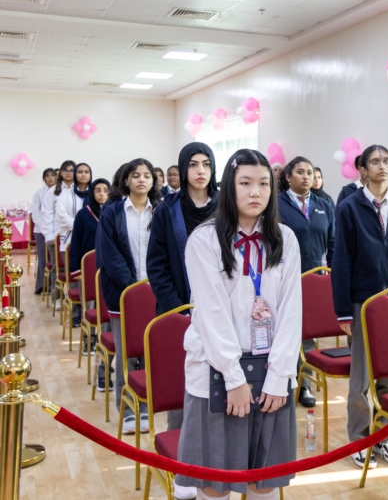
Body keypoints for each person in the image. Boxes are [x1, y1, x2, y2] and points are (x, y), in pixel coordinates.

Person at [175, 149, 301, 500]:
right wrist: (234, 378)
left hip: (271, 372)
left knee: (264, 482)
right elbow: (211, 316)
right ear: (228, 188)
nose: (255, 192)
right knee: (215, 485)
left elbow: (292, 313)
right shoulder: (205, 239)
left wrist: (279, 377)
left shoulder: (285, 239)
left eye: (263, 183)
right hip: (218, 375)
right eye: (245, 183)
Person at [332, 144, 388, 469]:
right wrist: (343, 310)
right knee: (361, 377)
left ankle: (384, 433)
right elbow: (341, 262)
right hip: (363, 303)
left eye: (386, 161)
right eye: (375, 161)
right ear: (363, 169)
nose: (382, 166)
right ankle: (359, 437)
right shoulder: (349, 207)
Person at [98, 158, 159, 436]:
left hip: (157, 293)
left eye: (147, 175)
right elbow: (110, 256)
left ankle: (146, 407)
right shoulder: (112, 213)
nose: (142, 180)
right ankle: (127, 411)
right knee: (126, 355)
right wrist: (134, 289)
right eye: (136, 175)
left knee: (150, 354)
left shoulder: (161, 211)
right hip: (124, 295)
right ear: (126, 181)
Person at [277, 156, 335, 408]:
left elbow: (333, 243)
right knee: (285, 332)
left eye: (309, 172)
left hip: (316, 280)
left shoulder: (324, 205)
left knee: (308, 336)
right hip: (284, 280)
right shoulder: (276, 204)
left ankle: (305, 385)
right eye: (299, 172)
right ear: (288, 177)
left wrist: (331, 273)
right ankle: (282, 381)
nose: (306, 176)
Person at [148, 143, 218, 316]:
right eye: (193, 164)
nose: (201, 170)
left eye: (206, 164)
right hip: (179, 306)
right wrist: (178, 310)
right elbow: (157, 266)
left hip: (221, 306)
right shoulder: (167, 209)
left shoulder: (227, 206)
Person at [70, 178, 110, 353]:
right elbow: (76, 243)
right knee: (91, 306)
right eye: (98, 190)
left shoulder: (114, 212)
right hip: (88, 268)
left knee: (107, 306)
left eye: (105, 190)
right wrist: (76, 269)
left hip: (108, 267)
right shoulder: (83, 214)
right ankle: (89, 341)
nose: (102, 194)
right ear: (92, 193)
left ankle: (107, 339)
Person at [56, 162, 93, 327]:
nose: (83, 175)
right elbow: (61, 216)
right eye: (80, 172)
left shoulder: (95, 193)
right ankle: (76, 315)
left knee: (91, 282)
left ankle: (91, 314)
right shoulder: (65, 194)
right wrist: (81, 224)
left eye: (86, 172)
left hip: (91, 241)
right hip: (70, 240)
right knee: (75, 279)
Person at [41, 160, 76, 311]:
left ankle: (76, 299)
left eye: (71, 169)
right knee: (58, 267)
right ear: (60, 173)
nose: (69, 172)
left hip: (75, 233)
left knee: (75, 269)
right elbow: (47, 214)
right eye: (65, 170)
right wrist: (48, 235)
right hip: (56, 234)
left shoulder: (80, 189)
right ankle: (57, 298)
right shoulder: (53, 191)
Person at [31, 168, 57, 294]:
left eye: (53, 175)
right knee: (43, 258)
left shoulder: (59, 192)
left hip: (56, 231)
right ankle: (41, 286)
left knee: (55, 259)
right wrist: (45, 229)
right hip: (40, 230)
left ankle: (54, 287)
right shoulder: (38, 194)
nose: (50, 178)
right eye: (47, 176)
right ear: (44, 178)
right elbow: (36, 215)